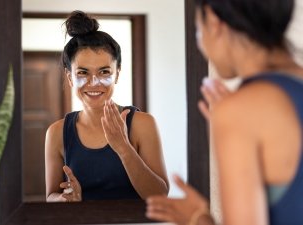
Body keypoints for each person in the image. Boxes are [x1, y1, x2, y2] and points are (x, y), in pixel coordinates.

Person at [146, 0, 303, 225]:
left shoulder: (239, 111)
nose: (200, 43)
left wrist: (197, 218)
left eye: (198, 29)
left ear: (213, 20)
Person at [44, 10, 169, 202]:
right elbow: (50, 196)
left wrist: (124, 148)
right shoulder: (56, 133)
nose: (94, 82)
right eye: (83, 73)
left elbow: (159, 196)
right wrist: (63, 199)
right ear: (70, 78)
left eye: (104, 72)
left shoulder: (143, 124)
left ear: (117, 74)